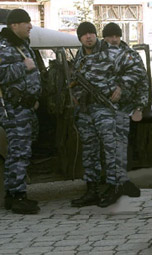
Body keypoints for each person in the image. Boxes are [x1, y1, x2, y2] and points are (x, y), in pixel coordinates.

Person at [70, 21, 149, 208]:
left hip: (105, 109)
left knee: (111, 148)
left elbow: (138, 71)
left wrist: (121, 86)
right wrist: (74, 94)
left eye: (91, 33)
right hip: (85, 110)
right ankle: (92, 189)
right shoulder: (79, 57)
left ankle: (115, 187)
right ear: (79, 38)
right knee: (90, 150)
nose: (88, 36)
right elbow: (74, 79)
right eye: (84, 34)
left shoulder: (111, 52)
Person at [0, 9, 41, 214]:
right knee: (19, 153)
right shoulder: (3, 46)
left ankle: (12, 194)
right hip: (14, 109)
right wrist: (23, 66)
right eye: (26, 22)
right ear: (14, 25)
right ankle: (19, 197)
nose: (30, 26)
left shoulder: (20, 45)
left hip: (24, 107)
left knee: (17, 153)